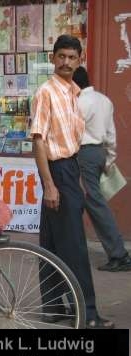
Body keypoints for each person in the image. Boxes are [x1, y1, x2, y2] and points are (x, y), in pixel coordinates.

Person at [31, 35, 114, 329]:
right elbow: (38, 141)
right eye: (61, 56)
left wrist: (73, 177)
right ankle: (87, 313)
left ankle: (53, 307)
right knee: (75, 246)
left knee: (52, 244)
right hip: (56, 170)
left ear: (80, 60)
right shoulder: (47, 92)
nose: (66, 62)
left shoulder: (73, 92)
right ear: (53, 58)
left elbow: (70, 141)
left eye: (72, 57)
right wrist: (51, 185)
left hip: (69, 168)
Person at [72, 67, 131, 271]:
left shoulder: (78, 102)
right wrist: (109, 160)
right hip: (98, 153)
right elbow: (111, 135)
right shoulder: (104, 100)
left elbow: (72, 134)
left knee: (94, 203)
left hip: (83, 154)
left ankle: (119, 254)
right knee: (90, 201)